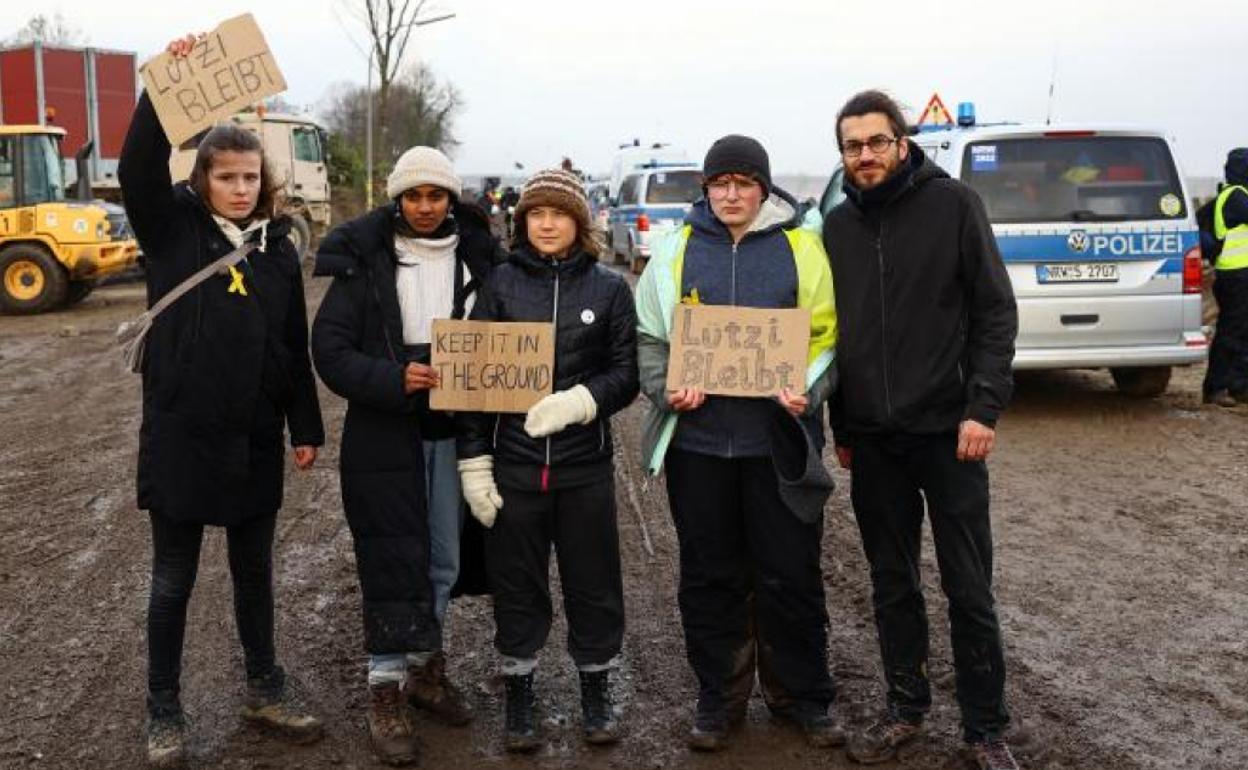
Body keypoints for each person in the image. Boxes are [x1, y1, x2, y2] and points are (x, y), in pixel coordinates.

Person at [119, 34, 325, 769]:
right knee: (172, 578)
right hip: (179, 434)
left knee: (254, 572)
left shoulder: (277, 251)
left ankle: (265, 685)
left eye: (249, 176)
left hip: (251, 436)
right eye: (226, 176)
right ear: (202, 179)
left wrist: (305, 426)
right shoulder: (170, 231)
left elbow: (291, 344)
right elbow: (136, 164)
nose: (240, 187)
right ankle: (163, 709)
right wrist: (163, 85)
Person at [821, 90, 1019, 770]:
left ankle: (986, 729)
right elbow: (834, 337)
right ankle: (905, 709)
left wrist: (983, 408)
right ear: (842, 153)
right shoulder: (837, 228)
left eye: (878, 142)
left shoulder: (955, 206)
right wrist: (842, 424)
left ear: (903, 143)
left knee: (968, 584)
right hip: (875, 440)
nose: (866, 155)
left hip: (950, 433)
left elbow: (996, 312)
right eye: (853, 145)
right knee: (891, 581)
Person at [634, 135, 840, 751]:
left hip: (777, 445)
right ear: (706, 188)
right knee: (709, 575)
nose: (730, 194)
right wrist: (666, 389)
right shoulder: (674, 250)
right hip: (698, 448)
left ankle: (802, 696)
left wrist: (806, 388)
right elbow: (649, 335)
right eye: (719, 183)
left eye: (743, 183)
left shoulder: (803, 248)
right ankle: (718, 697)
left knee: (790, 574)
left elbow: (827, 335)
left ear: (763, 187)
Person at [310, 146, 499, 765]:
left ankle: (425, 668)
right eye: (414, 196)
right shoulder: (364, 260)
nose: (424, 207)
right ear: (398, 198)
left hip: (453, 429)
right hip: (384, 435)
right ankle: (384, 689)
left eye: (435, 196)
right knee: (393, 561)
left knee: (445, 557)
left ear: (450, 200)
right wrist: (393, 378)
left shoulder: (478, 259)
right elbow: (331, 350)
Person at [456, 168, 639, 752]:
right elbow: (473, 381)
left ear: (579, 223)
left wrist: (582, 401)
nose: (548, 224)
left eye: (559, 214)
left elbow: (625, 374)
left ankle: (595, 689)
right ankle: (519, 693)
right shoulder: (501, 286)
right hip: (515, 464)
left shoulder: (609, 289)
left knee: (593, 582)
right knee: (516, 583)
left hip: (584, 466)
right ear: (522, 221)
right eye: (537, 214)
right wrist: (473, 461)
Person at [1199, 148, 1248, 406]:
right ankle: (1215, 388)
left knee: (1242, 334)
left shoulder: (1234, 194)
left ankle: (1239, 387)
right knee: (1231, 333)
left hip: (1239, 274)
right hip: (1235, 275)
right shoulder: (1236, 196)